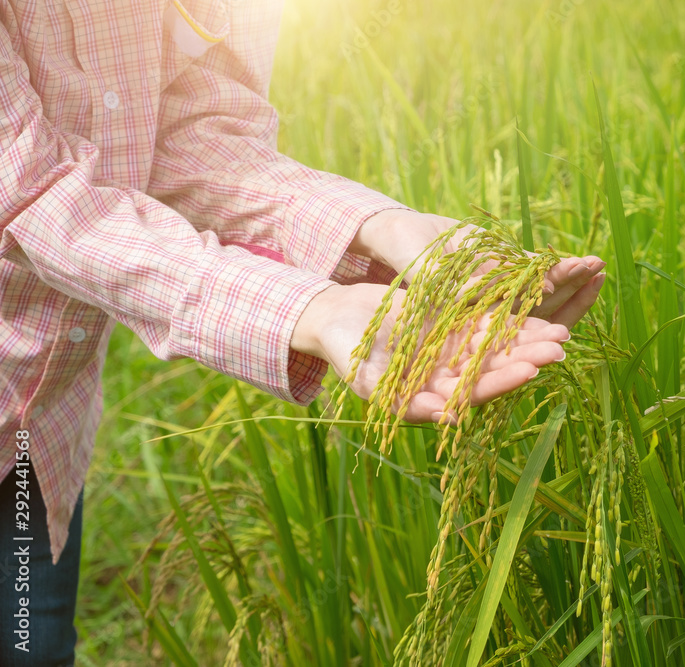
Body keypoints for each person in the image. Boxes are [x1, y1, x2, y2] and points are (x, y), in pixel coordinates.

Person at [0, 0, 604, 664]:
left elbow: (194, 135)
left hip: (40, 426)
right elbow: (31, 192)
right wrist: (311, 310)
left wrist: (388, 229)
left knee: (32, 639)